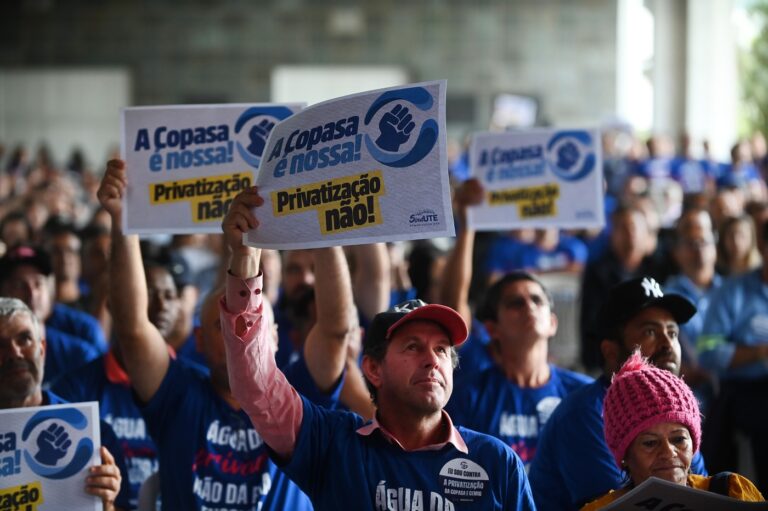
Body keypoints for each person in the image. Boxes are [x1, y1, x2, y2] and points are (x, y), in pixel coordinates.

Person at [221, 187, 535, 510]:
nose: (431, 360)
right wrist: (245, 259)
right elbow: (255, 386)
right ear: (373, 368)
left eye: (441, 350)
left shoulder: (497, 462)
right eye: (413, 347)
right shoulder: (332, 444)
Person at [97, 159, 357, 510]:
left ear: (274, 337)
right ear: (199, 341)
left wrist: (326, 226)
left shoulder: (299, 396)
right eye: (222, 326)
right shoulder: (178, 396)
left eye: (254, 324)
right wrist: (122, 222)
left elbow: (334, 331)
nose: (241, 332)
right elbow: (132, 329)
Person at [441, 178, 592, 467]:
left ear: (552, 322)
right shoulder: (470, 394)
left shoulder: (582, 396)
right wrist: (468, 225)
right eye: (515, 303)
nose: (529, 307)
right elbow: (453, 303)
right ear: (491, 328)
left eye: (537, 300)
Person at [528, 276, 707, 510]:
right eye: (651, 332)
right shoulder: (586, 413)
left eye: (673, 333)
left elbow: (698, 491)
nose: (667, 344)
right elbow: (630, 505)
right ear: (610, 351)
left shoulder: (678, 412)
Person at [580, 351, 763, 509]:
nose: (668, 452)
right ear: (625, 456)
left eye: (679, 439)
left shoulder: (732, 493)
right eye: (650, 443)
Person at [0, 297, 130, 511]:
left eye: (24, 339)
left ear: (42, 349)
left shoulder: (94, 435)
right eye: (0, 345)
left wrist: (107, 504)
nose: (15, 353)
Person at [698, 218, 768, 494]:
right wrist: (760, 352)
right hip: (746, 390)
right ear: (762, 247)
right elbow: (708, 353)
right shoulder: (733, 292)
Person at [0, 245, 102, 382]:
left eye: (38, 284)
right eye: (18, 285)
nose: (32, 294)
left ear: (51, 288)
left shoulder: (81, 353)